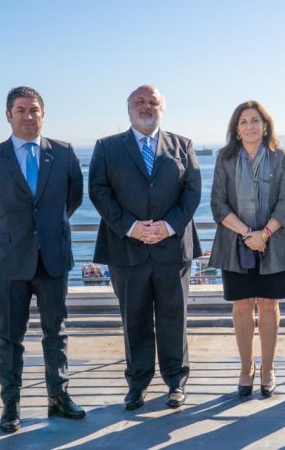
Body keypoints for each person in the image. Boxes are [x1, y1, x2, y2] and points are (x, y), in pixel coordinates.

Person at [0, 86, 86, 433]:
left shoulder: (64, 153)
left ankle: (59, 398)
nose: (28, 116)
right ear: (8, 115)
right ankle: (11, 406)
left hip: (53, 260)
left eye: (34, 110)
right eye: (20, 110)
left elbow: (73, 199)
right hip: (11, 261)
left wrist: (45, 231)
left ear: (43, 114)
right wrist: (10, 233)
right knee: (9, 337)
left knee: (57, 333)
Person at [89, 85, 202, 410]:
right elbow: (98, 190)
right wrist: (131, 227)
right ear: (128, 108)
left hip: (172, 249)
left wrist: (167, 226)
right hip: (127, 249)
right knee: (134, 320)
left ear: (162, 108)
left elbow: (192, 191)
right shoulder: (106, 147)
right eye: (140, 101)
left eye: (153, 102)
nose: (146, 106)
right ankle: (137, 384)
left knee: (174, 318)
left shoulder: (183, 145)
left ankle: (176, 383)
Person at [208, 101, 285, 398]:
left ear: (265, 125)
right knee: (242, 305)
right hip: (236, 243)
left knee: (270, 305)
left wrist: (264, 233)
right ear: (236, 128)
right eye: (244, 121)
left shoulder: (281, 157)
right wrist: (248, 234)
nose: (250, 126)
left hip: (273, 242)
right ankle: (246, 368)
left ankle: (268, 368)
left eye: (255, 120)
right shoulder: (225, 158)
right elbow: (218, 204)